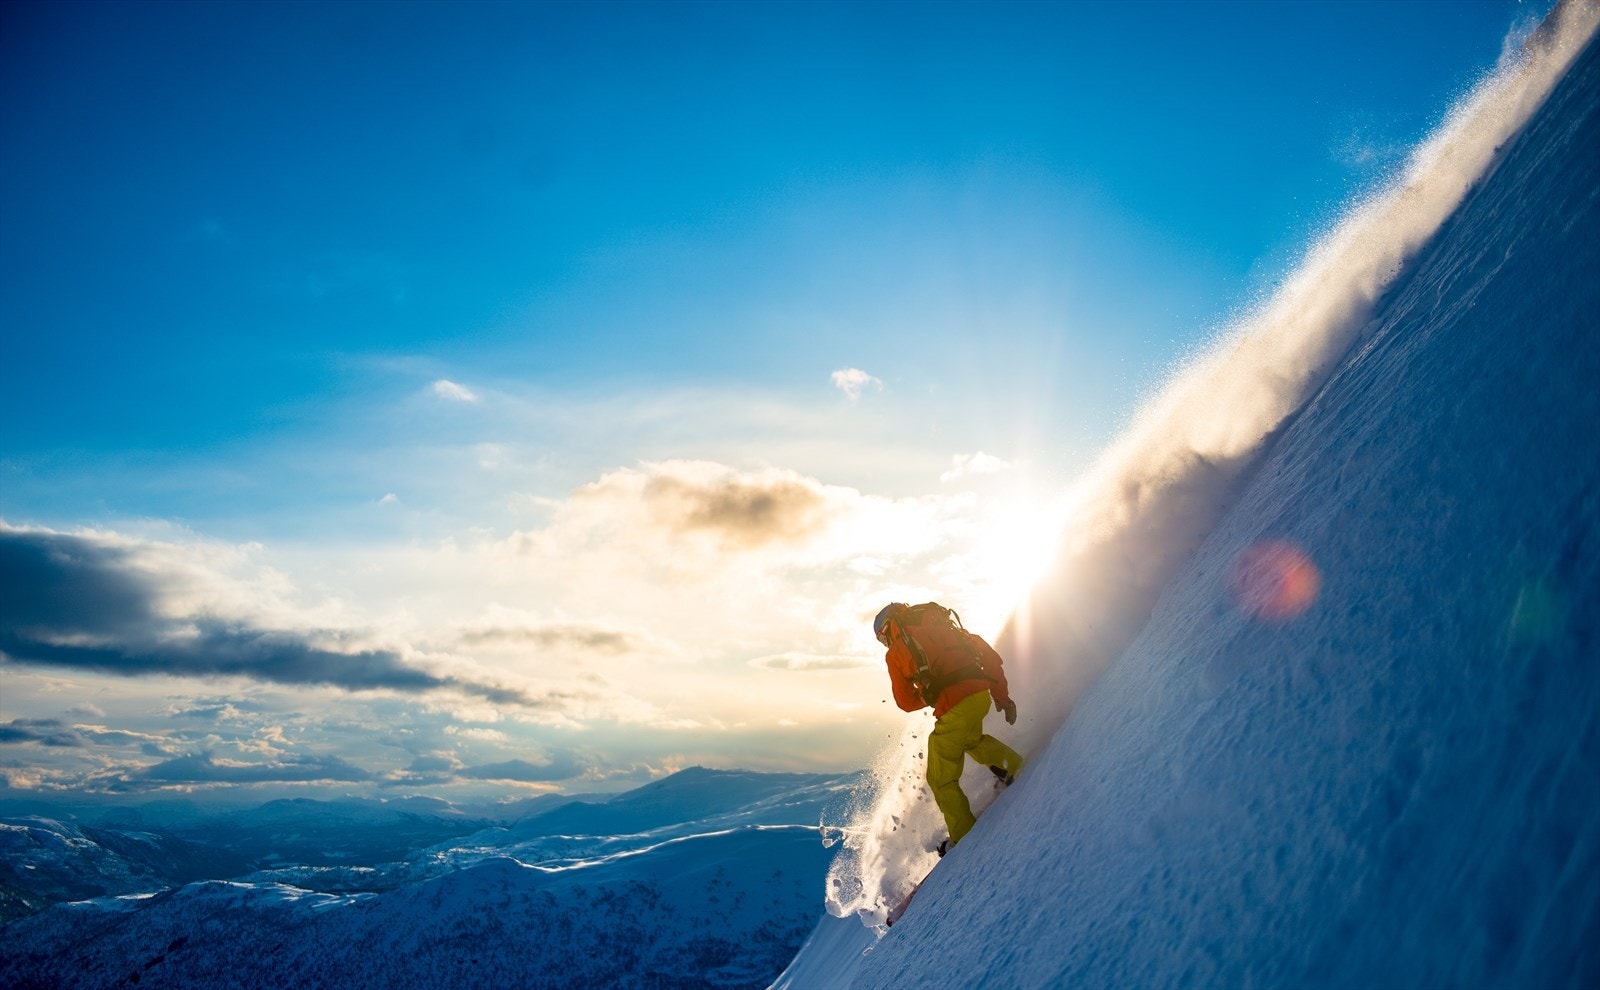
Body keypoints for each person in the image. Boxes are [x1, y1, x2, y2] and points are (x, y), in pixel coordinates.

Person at [874, 602, 1024, 852]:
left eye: (883, 639)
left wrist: (932, 693)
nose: (886, 644)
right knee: (970, 740)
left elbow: (905, 702)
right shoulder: (946, 627)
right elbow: (991, 659)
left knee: (940, 778)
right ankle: (1015, 768)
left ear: (888, 629)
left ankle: (964, 836)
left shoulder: (897, 651)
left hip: (954, 708)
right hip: (980, 697)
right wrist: (1002, 696)